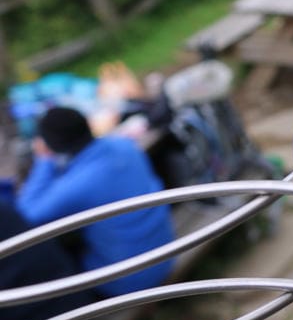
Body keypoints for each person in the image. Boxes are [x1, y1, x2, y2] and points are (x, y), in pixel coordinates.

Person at [15, 106, 174, 297]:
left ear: (51, 146)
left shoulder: (78, 184)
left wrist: (43, 159)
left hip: (129, 281)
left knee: (51, 261)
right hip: (166, 255)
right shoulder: (124, 144)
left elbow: (26, 214)